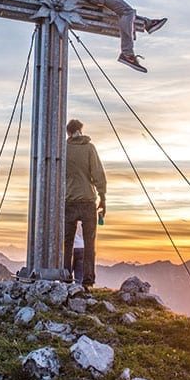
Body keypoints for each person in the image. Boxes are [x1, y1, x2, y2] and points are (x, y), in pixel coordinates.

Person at [63, 119, 107, 290]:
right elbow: (98, 173)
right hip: (89, 201)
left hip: (69, 200)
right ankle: (88, 281)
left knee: (67, 243)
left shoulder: (63, 150)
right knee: (90, 244)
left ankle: (66, 277)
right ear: (81, 130)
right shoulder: (90, 148)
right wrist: (102, 197)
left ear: (68, 132)